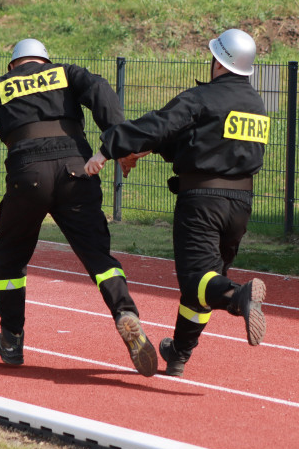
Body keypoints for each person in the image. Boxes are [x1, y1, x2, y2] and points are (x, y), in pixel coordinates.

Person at [0, 38, 157, 376]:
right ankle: (125, 313)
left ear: (13, 66)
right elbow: (101, 90)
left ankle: (11, 340)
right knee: (98, 257)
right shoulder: (65, 73)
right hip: (76, 170)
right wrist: (118, 141)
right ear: (43, 61)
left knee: (10, 259)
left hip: (28, 175)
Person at [84, 28, 268, 377]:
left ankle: (239, 296)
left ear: (218, 61)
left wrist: (111, 147)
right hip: (241, 204)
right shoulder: (257, 106)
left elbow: (160, 124)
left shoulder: (203, 98)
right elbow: (195, 140)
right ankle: (179, 353)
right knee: (202, 285)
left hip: (202, 201)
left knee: (198, 278)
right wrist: (145, 149)